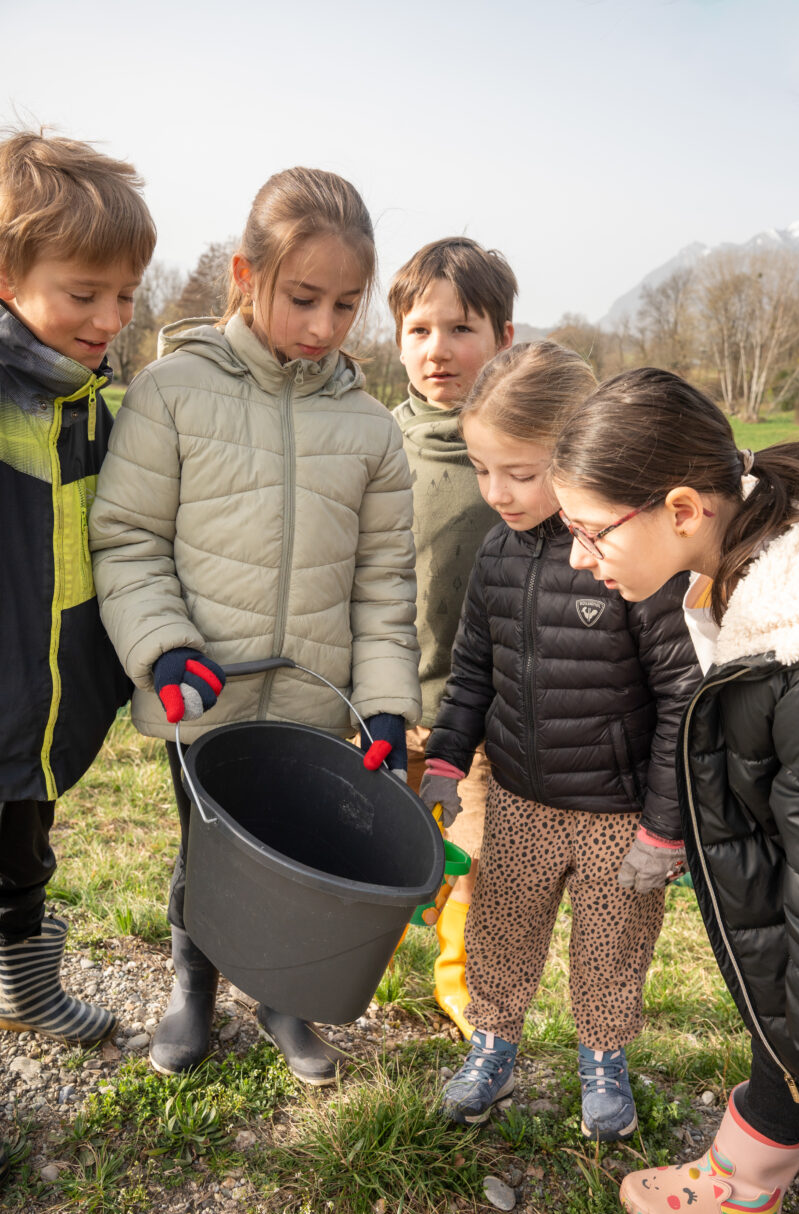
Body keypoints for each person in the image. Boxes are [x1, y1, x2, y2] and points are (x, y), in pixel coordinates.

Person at [90, 167, 420, 1086]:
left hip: (313, 694)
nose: (322, 327)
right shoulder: (173, 392)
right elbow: (127, 539)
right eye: (303, 298)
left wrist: (387, 706)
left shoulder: (369, 430)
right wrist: (166, 650)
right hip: (201, 687)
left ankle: (284, 995)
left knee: (300, 847)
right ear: (247, 273)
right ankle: (192, 985)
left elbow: (384, 583)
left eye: (346, 306)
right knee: (213, 849)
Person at [550, 366, 799, 1214]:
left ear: (683, 510)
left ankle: (750, 1183)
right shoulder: (762, 562)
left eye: (588, 531)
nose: (576, 556)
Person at [419, 343, 701, 1133]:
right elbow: (472, 667)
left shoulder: (634, 561)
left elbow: (682, 693)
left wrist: (663, 827)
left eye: (520, 471)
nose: (496, 492)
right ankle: (494, 1045)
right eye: (482, 469)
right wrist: (445, 760)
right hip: (517, 798)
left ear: (574, 450)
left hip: (617, 813)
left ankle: (603, 1058)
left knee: (612, 947)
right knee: (500, 928)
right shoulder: (497, 554)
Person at [0, 126, 156, 1169]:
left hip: (50, 713)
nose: (107, 319)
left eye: (125, 297)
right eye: (81, 293)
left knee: (23, 860)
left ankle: (26, 991)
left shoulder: (98, 403)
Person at [387, 237, 515, 1036]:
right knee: (387, 841)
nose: (440, 349)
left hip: (483, 715)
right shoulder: (372, 442)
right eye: (420, 329)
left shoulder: (530, 454)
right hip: (389, 698)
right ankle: (361, 947)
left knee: (478, 852)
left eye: (462, 328)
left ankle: (458, 975)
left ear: (504, 337)